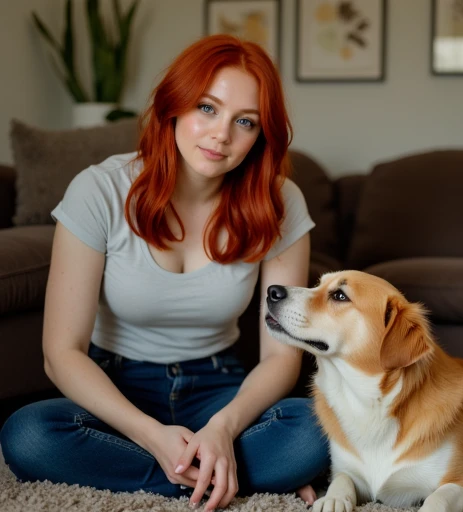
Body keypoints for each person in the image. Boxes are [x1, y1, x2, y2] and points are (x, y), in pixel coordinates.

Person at [0, 35, 329, 511]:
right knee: (28, 435)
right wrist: (150, 435)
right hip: (117, 387)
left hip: (219, 389)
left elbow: (281, 358)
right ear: (173, 105)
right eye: (207, 108)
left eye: (245, 122)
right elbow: (61, 353)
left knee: (316, 428)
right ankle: (224, 473)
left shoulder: (280, 203)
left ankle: (202, 461)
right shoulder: (99, 190)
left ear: (262, 134)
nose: (221, 135)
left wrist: (223, 428)